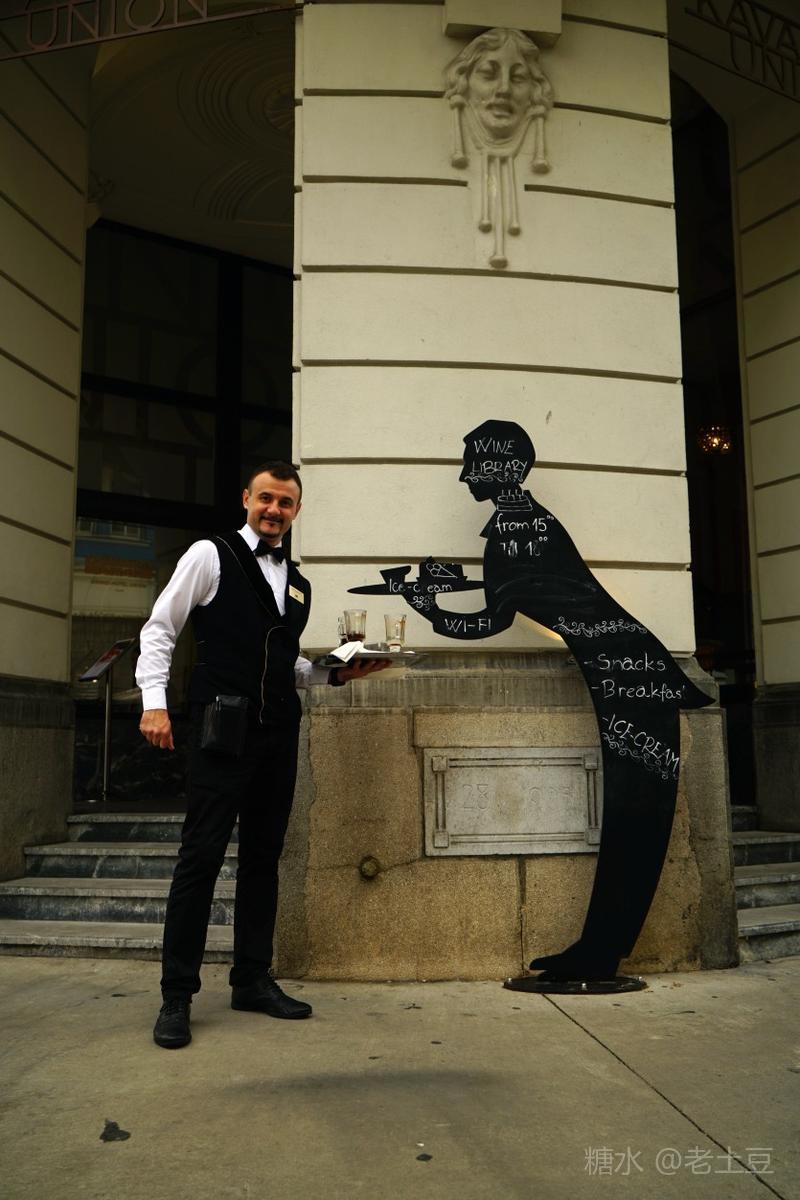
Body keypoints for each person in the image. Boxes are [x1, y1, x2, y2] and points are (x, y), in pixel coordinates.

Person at [398, 421, 713, 982]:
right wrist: (435, 601)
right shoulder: (524, 523)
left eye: (472, 463)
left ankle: (600, 953)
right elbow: (509, 599)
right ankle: (597, 950)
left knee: (634, 816)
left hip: (629, 676)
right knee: (631, 817)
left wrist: (426, 607)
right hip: (626, 670)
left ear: (500, 468)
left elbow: (489, 623)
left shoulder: (517, 528)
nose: (465, 475)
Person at [137, 461, 385, 1048]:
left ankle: (251, 978)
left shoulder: (298, 583)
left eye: (286, 503)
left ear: (296, 512)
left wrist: (336, 674)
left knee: (263, 859)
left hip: (277, 734)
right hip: (221, 729)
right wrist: (154, 703)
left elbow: (287, 665)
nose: (274, 510)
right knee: (200, 859)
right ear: (247, 499)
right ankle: (177, 995)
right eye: (266, 499)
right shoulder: (210, 554)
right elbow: (160, 629)